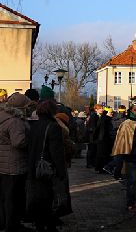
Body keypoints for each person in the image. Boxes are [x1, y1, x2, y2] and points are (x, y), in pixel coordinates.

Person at [26, 99, 68, 232]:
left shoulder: (34, 125)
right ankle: (49, 226)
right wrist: (61, 171)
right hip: (47, 167)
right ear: (52, 111)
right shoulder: (53, 126)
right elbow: (56, 151)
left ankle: (40, 224)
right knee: (48, 197)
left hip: (34, 166)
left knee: (38, 198)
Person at [0, 93, 31, 232]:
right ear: (21, 107)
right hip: (14, 164)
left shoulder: (2, 117)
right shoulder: (15, 121)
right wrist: (31, 140)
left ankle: (3, 223)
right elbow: (18, 142)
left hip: (2, 163)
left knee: (4, 197)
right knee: (13, 198)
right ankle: (13, 226)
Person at [112, 100, 136, 211]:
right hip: (131, 157)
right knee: (132, 182)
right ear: (131, 110)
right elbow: (124, 142)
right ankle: (131, 202)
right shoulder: (126, 124)